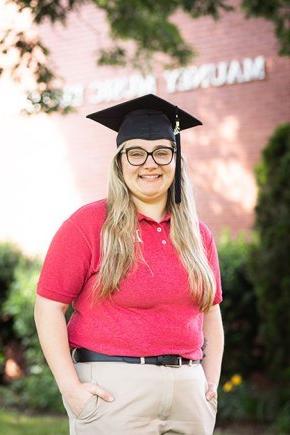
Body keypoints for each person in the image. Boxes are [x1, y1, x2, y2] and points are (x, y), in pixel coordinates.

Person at [34, 94, 224, 435]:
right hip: (114, 393)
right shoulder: (89, 224)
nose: (149, 164)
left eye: (162, 153)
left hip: (188, 393)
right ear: (120, 163)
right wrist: (71, 389)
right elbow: (48, 307)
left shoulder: (199, 235)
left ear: (177, 160)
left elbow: (211, 313)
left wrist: (209, 382)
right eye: (135, 153)